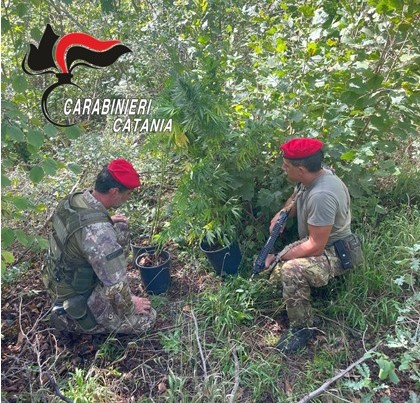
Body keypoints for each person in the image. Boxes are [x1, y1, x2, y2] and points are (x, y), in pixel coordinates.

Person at [264, 138, 363, 354]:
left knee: (291, 270)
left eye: (286, 166)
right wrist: (281, 215)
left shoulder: (322, 195)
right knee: (272, 276)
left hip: (337, 251)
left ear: (300, 169)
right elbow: (296, 196)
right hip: (321, 242)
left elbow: (315, 246)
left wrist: (281, 257)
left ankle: (302, 327)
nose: (283, 168)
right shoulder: (313, 175)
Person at [43, 158, 156, 335]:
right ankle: (69, 320)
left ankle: (105, 282)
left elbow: (77, 231)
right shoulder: (99, 234)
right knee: (147, 318)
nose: (128, 198)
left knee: (120, 227)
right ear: (114, 191)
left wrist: (106, 221)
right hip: (76, 294)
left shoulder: (75, 200)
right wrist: (130, 302)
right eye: (127, 194)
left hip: (61, 275)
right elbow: (116, 289)